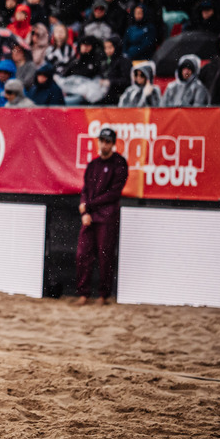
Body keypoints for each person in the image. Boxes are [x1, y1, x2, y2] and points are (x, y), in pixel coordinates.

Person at [76, 128, 128, 306]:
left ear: (113, 144)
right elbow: (85, 190)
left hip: (107, 216)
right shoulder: (93, 165)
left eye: (107, 141)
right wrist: (85, 212)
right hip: (90, 217)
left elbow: (113, 194)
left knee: (105, 257)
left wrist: (88, 207)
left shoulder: (119, 164)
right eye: (102, 140)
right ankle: (83, 294)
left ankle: (103, 295)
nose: (104, 144)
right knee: (82, 255)